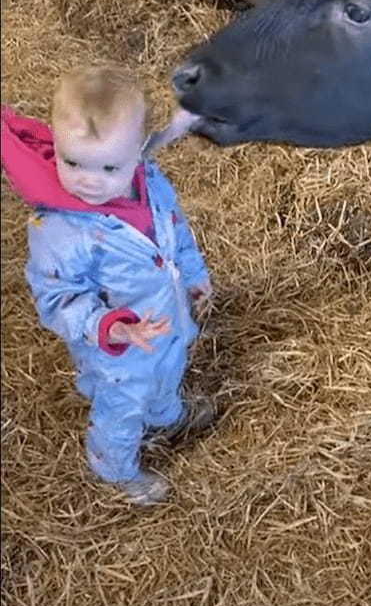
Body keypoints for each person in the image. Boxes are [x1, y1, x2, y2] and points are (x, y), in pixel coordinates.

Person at [1, 63, 214, 506]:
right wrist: (113, 328)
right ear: (55, 146)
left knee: (168, 371)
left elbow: (174, 228)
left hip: (165, 318)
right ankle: (114, 469)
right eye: (72, 161)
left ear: (139, 151)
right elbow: (56, 297)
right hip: (118, 350)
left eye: (108, 167)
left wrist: (193, 276)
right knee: (122, 407)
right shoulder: (60, 229)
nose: (88, 181)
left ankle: (166, 415)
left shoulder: (148, 182)